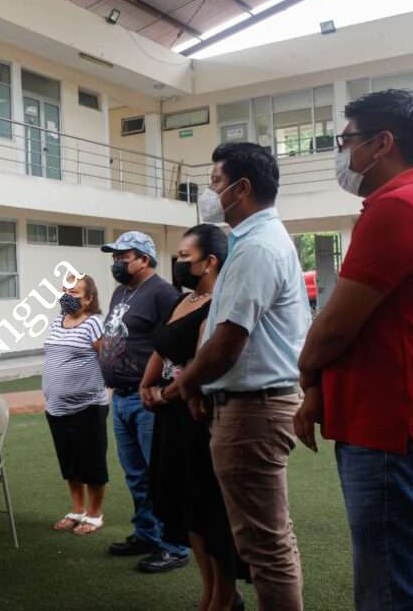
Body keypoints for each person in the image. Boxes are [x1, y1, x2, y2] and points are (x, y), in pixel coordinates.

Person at [294, 90, 413, 611]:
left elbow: (333, 327)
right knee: (410, 592)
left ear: (382, 143)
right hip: (402, 432)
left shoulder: (401, 206)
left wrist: (306, 372)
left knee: (397, 599)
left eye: (345, 140)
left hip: (396, 437)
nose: (341, 153)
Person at [174, 142, 309, 611]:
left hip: (254, 411)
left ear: (242, 188)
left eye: (215, 182)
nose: (209, 192)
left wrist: (187, 382)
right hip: (249, 405)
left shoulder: (257, 248)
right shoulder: (251, 243)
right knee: (265, 541)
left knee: (264, 547)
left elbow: (229, 340)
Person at [143, 224, 247, 611]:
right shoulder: (183, 300)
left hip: (197, 416)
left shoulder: (219, 305)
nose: (179, 263)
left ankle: (224, 596)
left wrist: (165, 393)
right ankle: (209, 591)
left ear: (211, 261)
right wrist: (146, 384)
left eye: (186, 257)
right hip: (170, 418)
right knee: (186, 510)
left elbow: (204, 362)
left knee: (209, 511)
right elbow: (161, 348)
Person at [97, 231, 191, 573]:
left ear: (144, 259)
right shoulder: (121, 291)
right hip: (121, 398)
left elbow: (178, 342)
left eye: (123, 257)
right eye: (115, 257)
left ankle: (175, 546)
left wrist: (161, 388)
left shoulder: (163, 293)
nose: (117, 263)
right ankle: (147, 534)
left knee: (161, 475)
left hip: (149, 401)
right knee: (136, 475)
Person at [43, 274, 108, 536]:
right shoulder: (57, 321)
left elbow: (108, 359)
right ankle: (77, 510)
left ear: (89, 299)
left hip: (88, 407)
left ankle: (94, 514)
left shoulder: (94, 323)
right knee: (69, 463)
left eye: (74, 293)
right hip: (56, 408)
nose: (67, 296)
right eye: (65, 291)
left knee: (92, 462)